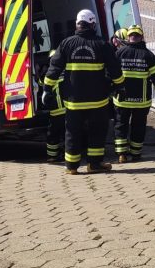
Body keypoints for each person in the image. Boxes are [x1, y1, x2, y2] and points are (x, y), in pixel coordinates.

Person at [42, 9, 123, 175]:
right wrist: (120, 86)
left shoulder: (66, 43)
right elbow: (115, 69)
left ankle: (71, 167)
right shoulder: (102, 44)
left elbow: (54, 68)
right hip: (97, 101)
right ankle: (94, 164)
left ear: (77, 24)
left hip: (73, 101)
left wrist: (47, 89)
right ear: (92, 24)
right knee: (97, 131)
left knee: (72, 132)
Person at [112, 25, 155, 164]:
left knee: (121, 125)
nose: (133, 37)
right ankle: (135, 154)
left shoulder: (120, 53)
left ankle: (121, 154)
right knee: (138, 126)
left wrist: (111, 89)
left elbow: (111, 73)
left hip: (121, 99)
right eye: (133, 35)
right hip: (141, 100)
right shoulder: (148, 55)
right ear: (141, 38)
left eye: (134, 35)